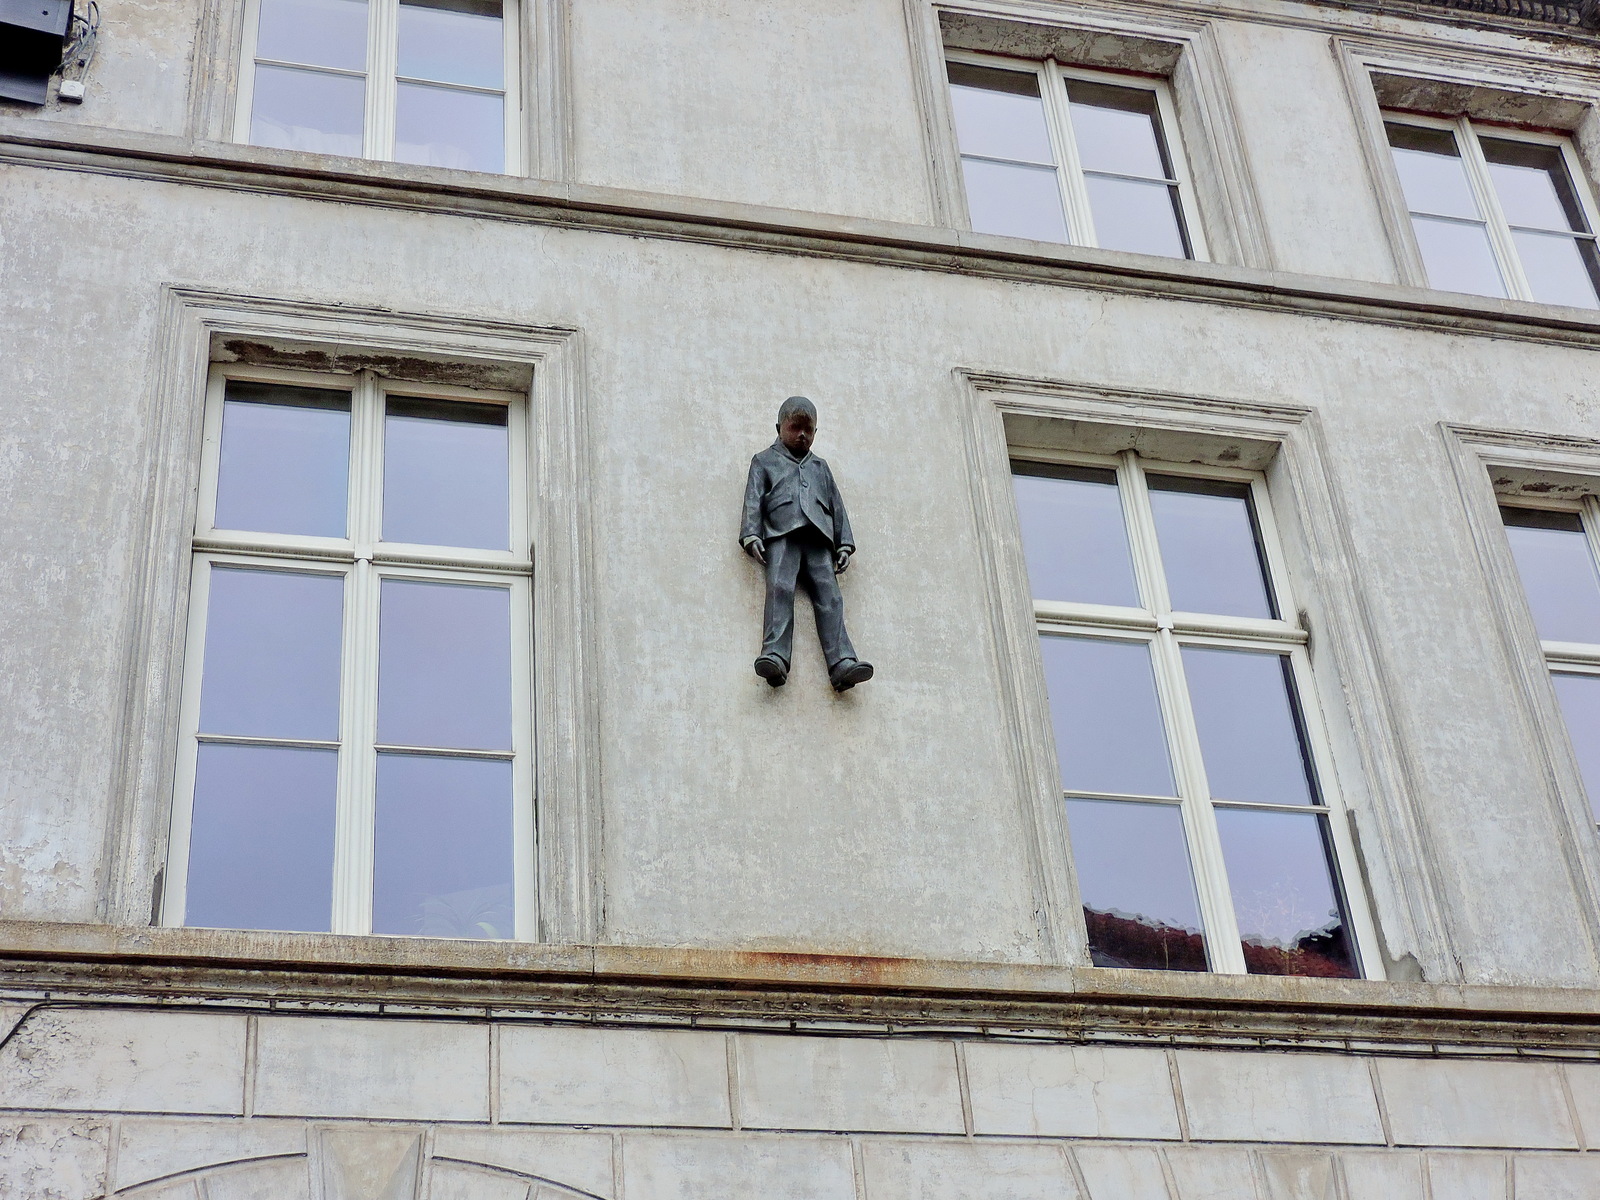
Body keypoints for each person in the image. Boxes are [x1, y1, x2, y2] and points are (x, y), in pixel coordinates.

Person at [739, 396, 874, 692]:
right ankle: (775, 655)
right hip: (781, 533)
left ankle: (842, 663)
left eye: (808, 430)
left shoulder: (820, 467)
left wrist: (844, 544)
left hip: (818, 538)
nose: (802, 434)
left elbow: (836, 505)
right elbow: (753, 498)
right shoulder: (764, 461)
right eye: (795, 427)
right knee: (780, 588)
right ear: (779, 427)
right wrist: (751, 534)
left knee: (831, 596)